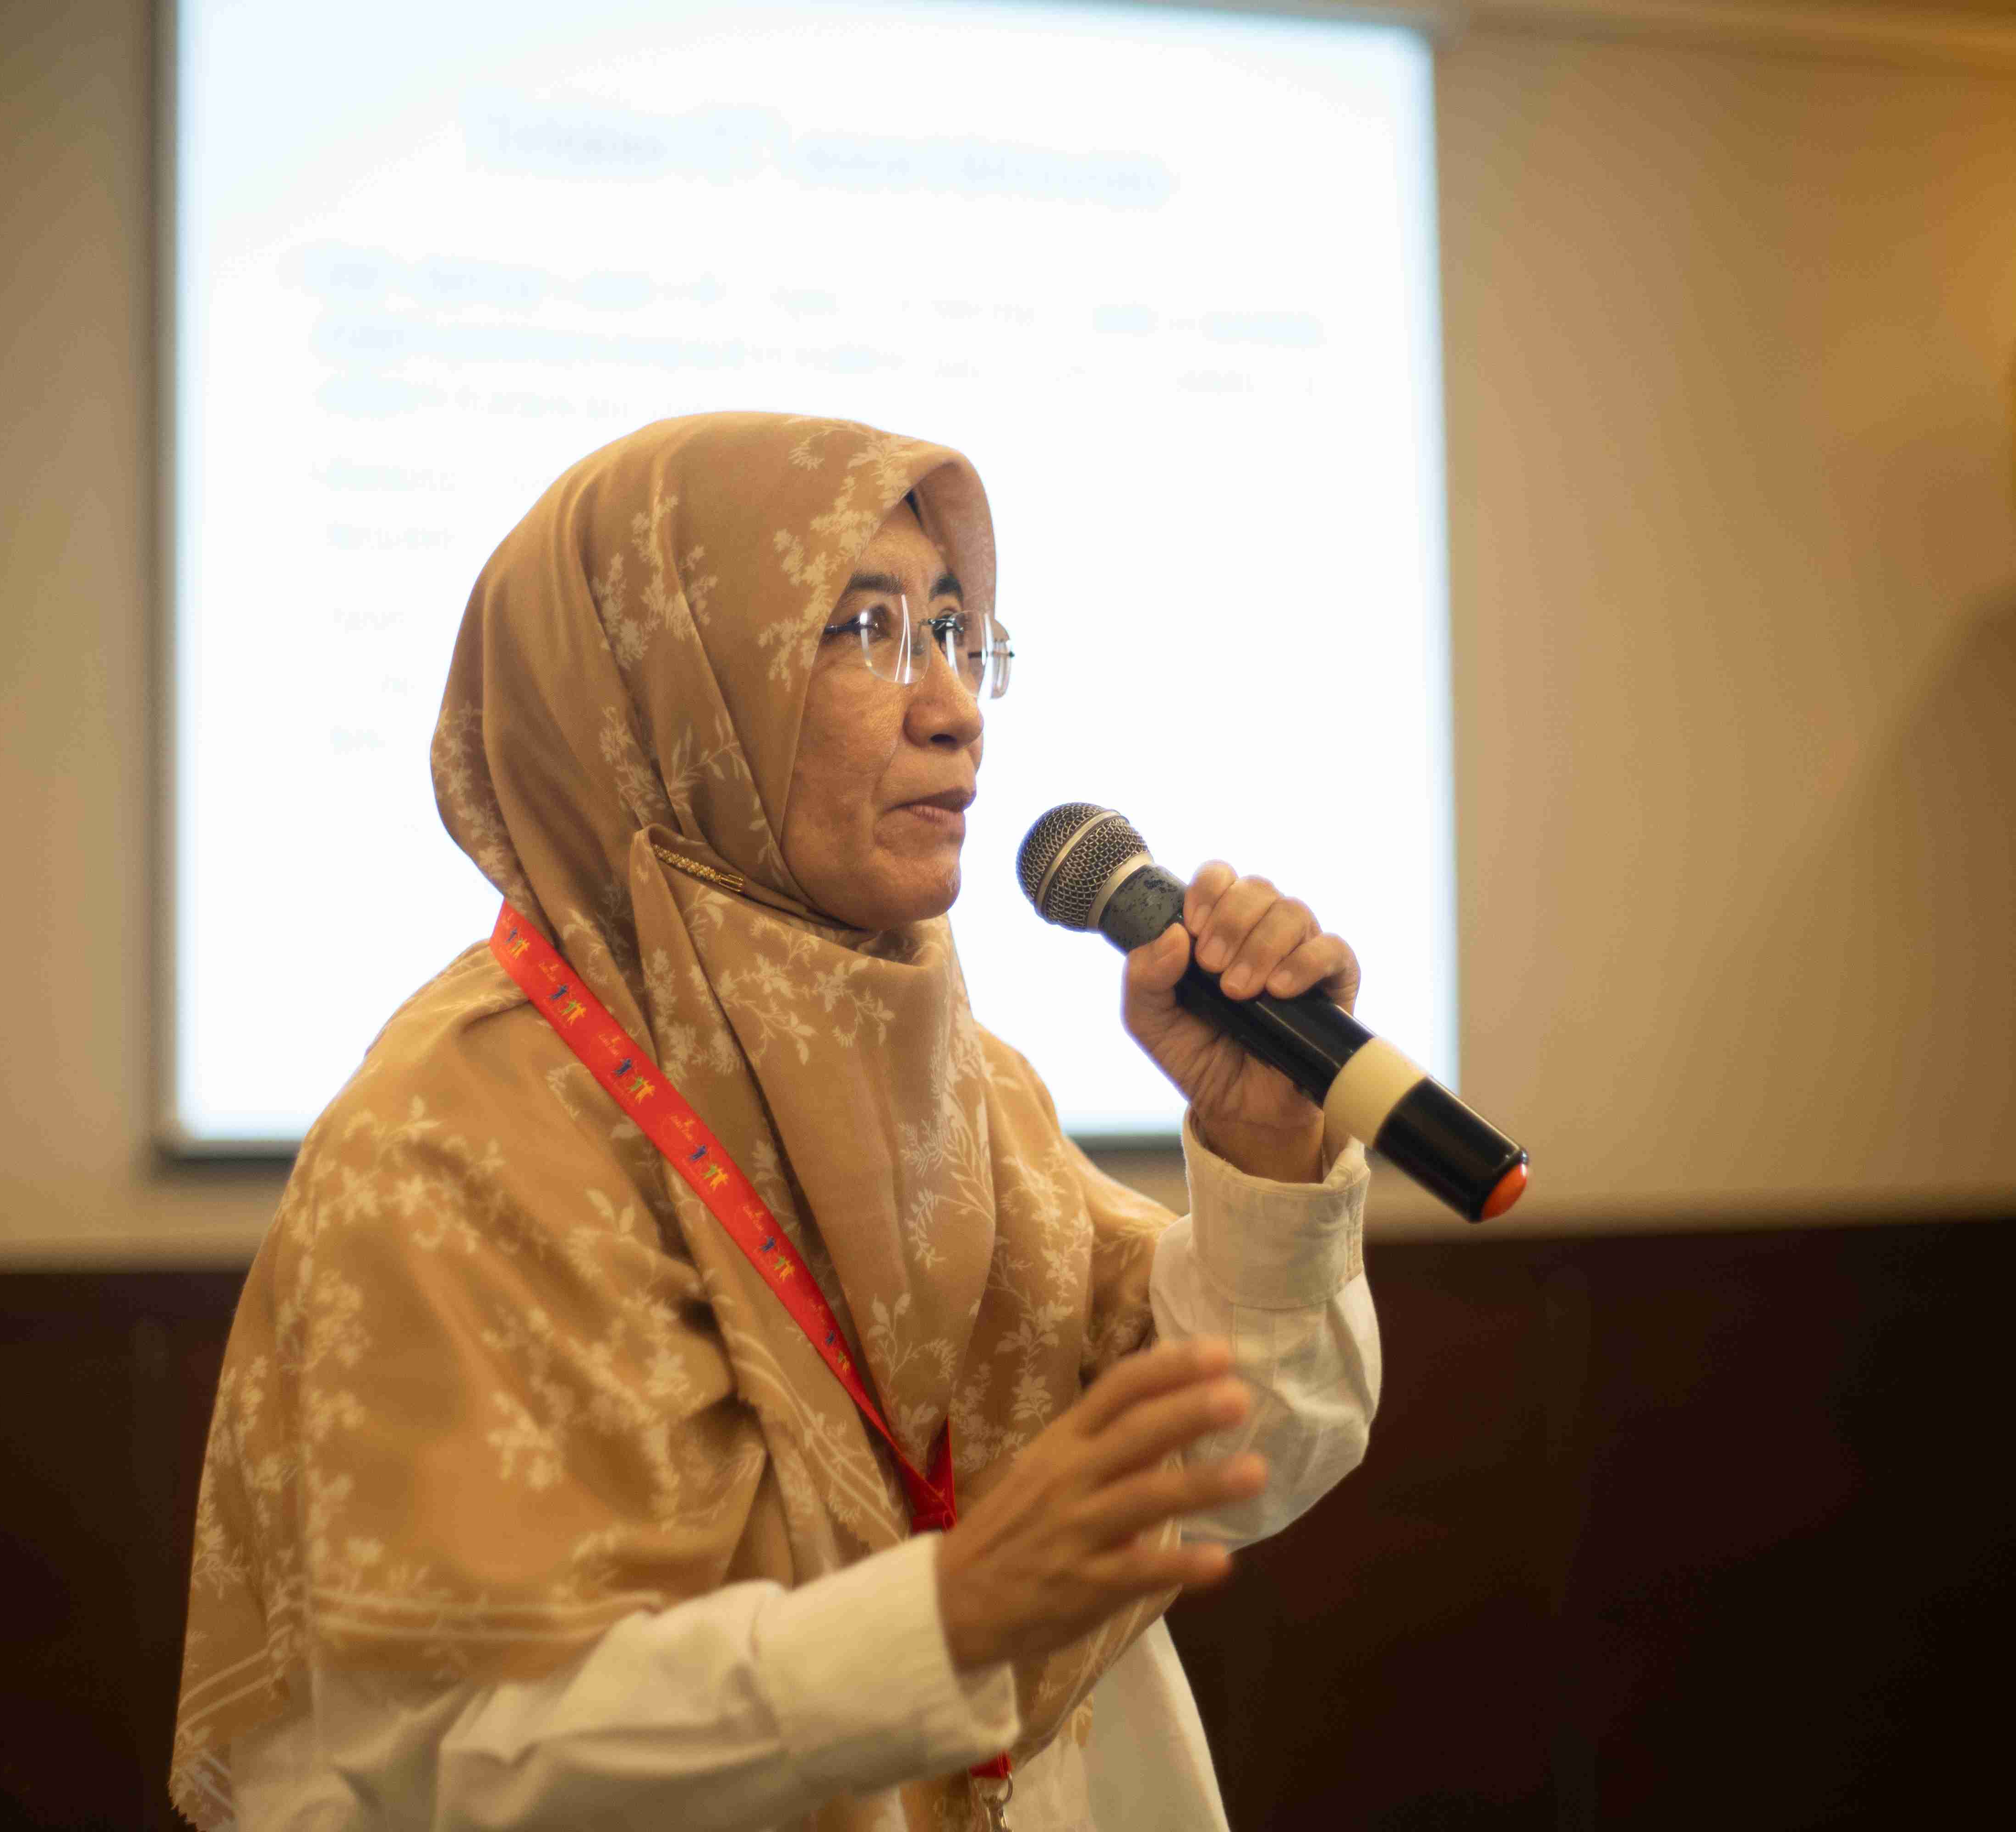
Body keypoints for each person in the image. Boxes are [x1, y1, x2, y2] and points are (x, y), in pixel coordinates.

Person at [172, 412, 1383, 1832]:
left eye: (955, 630)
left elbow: (1246, 1463)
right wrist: (935, 1625)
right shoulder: (445, 1140)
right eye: (866, 631)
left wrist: (1266, 1146)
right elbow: (452, 1766)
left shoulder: (963, 1084)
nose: (955, 706)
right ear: (665, 697)